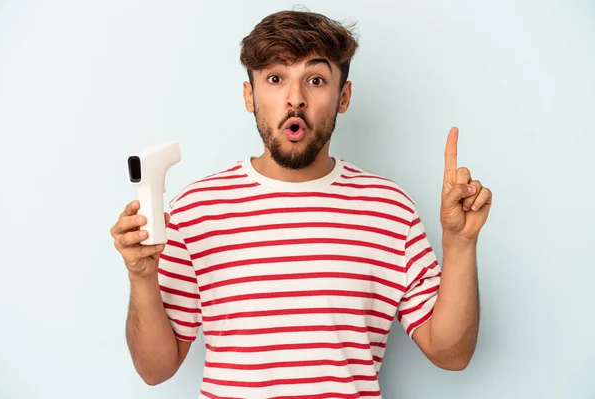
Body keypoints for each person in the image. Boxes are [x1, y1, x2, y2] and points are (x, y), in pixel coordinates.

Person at [110, 9, 492, 398]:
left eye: (315, 80)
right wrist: (141, 278)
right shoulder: (196, 210)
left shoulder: (389, 209)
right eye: (275, 79)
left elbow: (451, 354)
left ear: (343, 96)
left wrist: (460, 244)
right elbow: (155, 370)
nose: (295, 99)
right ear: (249, 95)